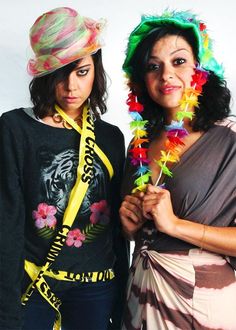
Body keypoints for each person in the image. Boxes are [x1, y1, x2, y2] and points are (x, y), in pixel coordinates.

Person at [0, 7, 129, 330]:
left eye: (82, 72)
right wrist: (6, 309)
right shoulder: (15, 128)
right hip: (33, 283)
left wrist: (120, 299)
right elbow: (8, 221)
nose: (71, 86)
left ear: (96, 70)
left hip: (96, 286)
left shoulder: (111, 137)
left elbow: (116, 228)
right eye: (60, 73)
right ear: (44, 74)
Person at [119, 9, 236, 329]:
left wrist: (174, 224)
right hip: (139, 297)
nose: (166, 75)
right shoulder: (139, 143)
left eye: (179, 61)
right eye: (153, 67)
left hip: (200, 300)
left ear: (202, 67)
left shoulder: (230, 139)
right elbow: (137, 233)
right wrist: (129, 226)